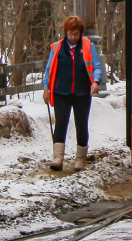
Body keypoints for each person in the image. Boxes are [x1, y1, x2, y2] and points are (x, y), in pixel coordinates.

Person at [43, 16, 103, 171]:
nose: (73, 37)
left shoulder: (88, 46)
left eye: (76, 34)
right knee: (61, 122)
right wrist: (46, 88)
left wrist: (96, 82)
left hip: (82, 93)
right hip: (61, 92)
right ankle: (58, 158)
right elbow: (49, 70)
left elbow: (96, 66)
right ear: (66, 32)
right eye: (70, 33)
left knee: (81, 125)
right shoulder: (57, 47)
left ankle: (80, 159)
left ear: (80, 33)